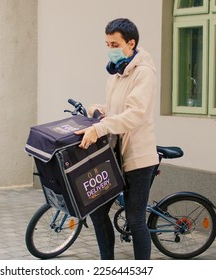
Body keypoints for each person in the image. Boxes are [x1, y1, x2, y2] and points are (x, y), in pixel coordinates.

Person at [75, 18, 159, 260]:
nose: (109, 48)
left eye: (114, 43)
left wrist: (100, 128)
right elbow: (117, 110)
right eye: (107, 43)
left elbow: (135, 114)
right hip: (114, 155)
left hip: (138, 158)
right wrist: (98, 110)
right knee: (98, 212)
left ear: (130, 43)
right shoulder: (116, 73)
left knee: (135, 219)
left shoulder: (144, 73)